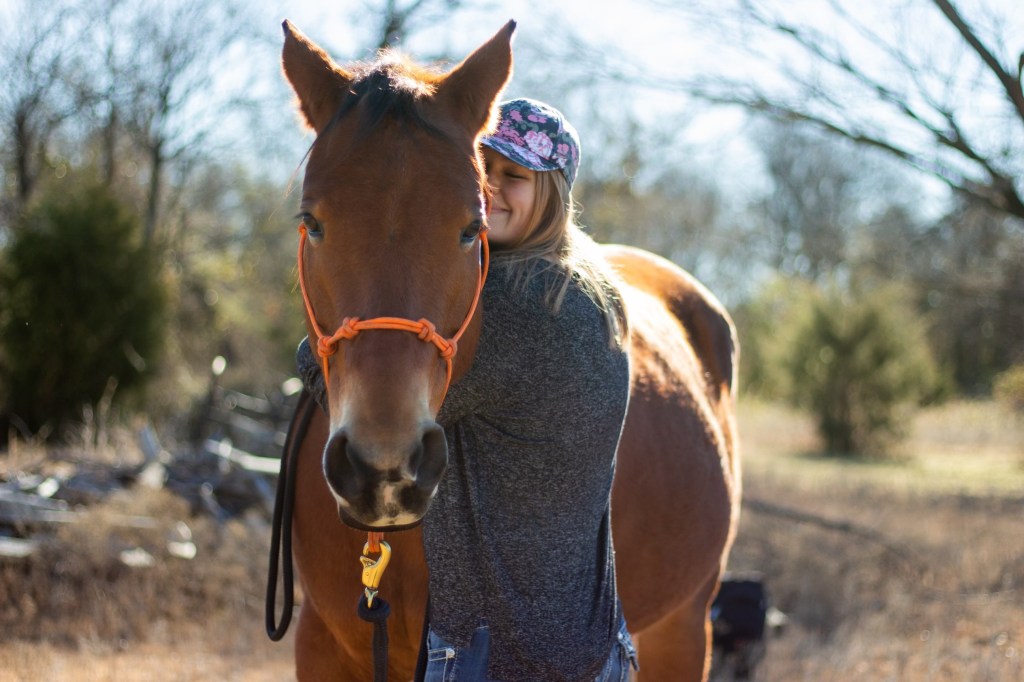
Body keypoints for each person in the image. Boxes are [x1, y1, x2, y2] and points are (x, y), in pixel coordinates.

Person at [301, 98, 636, 681]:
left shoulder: (515, 309)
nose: (492, 188)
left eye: (515, 175)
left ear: (553, 192)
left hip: (495, 660)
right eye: (482, 169)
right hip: (594, 647)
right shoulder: (588, 292)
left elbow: (340, 378)